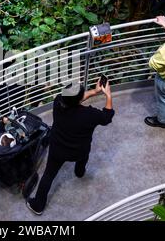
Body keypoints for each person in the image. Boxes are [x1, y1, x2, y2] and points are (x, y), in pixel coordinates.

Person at [26, 79, 114, 215]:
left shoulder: (58, 102)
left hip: (57, 148)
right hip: (79, 150)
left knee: (48, 175)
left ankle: (38, 206)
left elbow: (72, 100)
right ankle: (79, 172)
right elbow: (107, 117)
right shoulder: (90, 115)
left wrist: (94, 92)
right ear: (80, 99)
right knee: (84, 156)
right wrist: (107, 95)